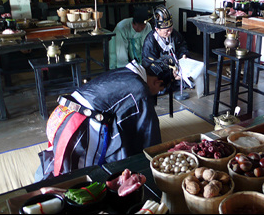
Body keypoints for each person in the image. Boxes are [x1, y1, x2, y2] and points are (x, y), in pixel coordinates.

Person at [35, 56, 174, 181]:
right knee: (77, 178)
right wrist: (155, 156)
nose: (156, 93)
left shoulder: (128, 71)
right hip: (76, 127)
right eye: (159, 91)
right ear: (158, 82)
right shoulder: (140, 89)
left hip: (61, 114)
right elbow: (147, 129)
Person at [141, 5, 188, 70]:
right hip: (160, 74)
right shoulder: (150, 42)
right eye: (167, 31)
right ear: (157, 29)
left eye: (171, 29)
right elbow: (150, 64)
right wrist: (170, 70)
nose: (169, 32)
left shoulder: (174, 33)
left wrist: (183, 54)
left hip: (177, 67)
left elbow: (182, 45)